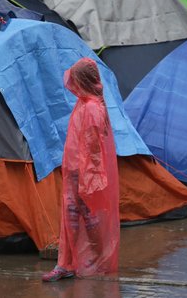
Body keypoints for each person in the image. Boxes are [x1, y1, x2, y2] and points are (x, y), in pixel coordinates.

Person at [42, 58, 120, 282]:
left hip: (83, 175)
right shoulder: (85, 103)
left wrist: (89, 179)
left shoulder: (93, 108)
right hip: (75, 172)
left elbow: (93, 148)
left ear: (83, 80)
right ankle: (68, 262)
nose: (72, 84)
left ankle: (92, 259)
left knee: (87, 218)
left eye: (75, 80)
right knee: (72, 218)